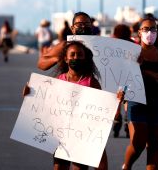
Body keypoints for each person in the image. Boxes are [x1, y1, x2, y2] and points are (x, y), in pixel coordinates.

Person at [23, 40, 124, 170]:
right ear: (65, 59)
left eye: (80, 55)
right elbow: (45, 106)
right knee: (59, 167)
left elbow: (103, 111)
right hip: (60, 137)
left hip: (82, 137)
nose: (76, 57)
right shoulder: (59, 80)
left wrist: (117, 102)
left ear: (85, 58)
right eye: (73, 54)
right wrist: (28, 95)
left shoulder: (91, 82)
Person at [122, 17, 158, 170]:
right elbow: (120, 76)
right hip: (137, 102)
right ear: (139, 32)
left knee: (154, 147)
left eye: (153, 29)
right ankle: (126, 166)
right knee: (138, 143)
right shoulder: (131, 53)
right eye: (146, 29)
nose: (150, 33)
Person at [111, 24, 133, 138]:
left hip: (116, 75)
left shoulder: (112, 44)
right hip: (129, 76)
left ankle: (117, 119)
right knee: (127, 101)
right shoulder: (132, 44)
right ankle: (126, 121)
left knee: (117, 100)